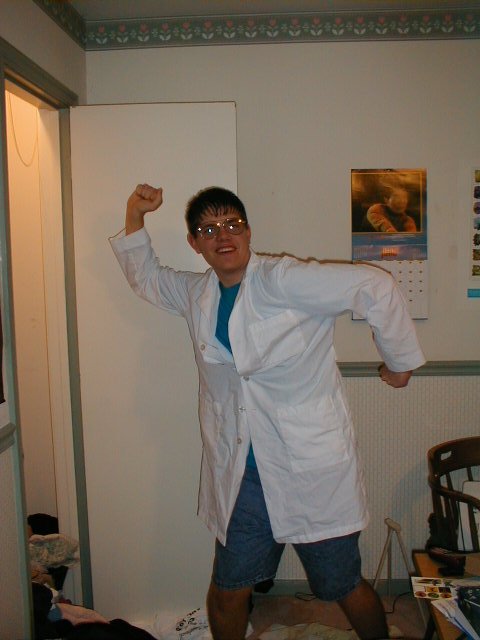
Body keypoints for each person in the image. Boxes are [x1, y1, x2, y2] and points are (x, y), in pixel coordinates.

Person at [110, 184, 426, 640]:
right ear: (195, 243)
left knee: (341, 585)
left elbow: (374, 285)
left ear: (248, 231)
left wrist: (400, 365)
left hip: (308, 466)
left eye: (232, 224)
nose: (223, 235)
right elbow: (148, 279)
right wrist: (134, 214)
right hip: (243, 477)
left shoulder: (284, 279)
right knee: (228, 589)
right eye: (209, 229)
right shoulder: (197, 293)